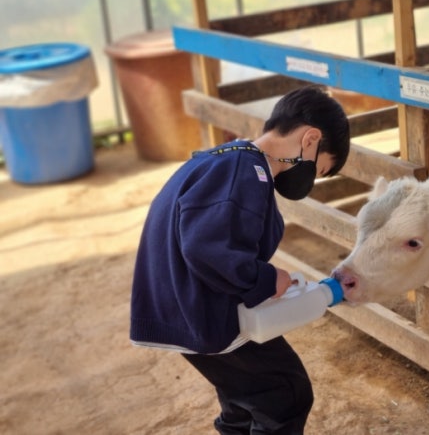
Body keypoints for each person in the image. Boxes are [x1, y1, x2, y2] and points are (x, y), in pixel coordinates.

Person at [130, 85, 351, 434]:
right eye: (319, 170)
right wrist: (264, 280)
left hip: (187, 307)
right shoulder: (244, 169)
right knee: (285, 393)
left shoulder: (232, 159)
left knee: (246, 396)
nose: (311, 179)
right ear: (310, 139)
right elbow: (207, 247)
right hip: (200, 312)